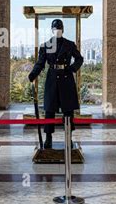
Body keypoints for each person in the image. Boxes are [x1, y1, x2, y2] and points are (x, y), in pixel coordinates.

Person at [28, 19, 83, 149]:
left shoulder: (70, 44)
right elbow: (40, 63)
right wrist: (32, 75)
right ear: (52, 30)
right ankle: (48, 138)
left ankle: (68, 138)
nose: (57, 30)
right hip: (52, 79)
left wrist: (72, 68)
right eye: (55, 28)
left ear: (62, 30)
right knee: (49, 111)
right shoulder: (46, 45)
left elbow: (79, 59)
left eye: (59, 28)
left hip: (66, 79)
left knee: (68, 111)